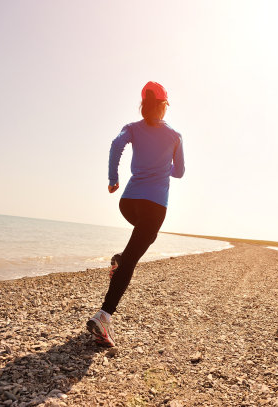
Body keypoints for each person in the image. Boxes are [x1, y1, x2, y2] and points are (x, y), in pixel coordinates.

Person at [87, 81, 185, 347]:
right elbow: (180, 172)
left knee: (138, 244)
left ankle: (120, 259)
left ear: (144, 105)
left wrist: (112, 179)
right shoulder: (175, 136)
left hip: (128, 202)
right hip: (155, 207)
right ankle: (104, 316)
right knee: (134, 256)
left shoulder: (131, 128)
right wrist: (165, 166)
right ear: (163, 105)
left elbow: (116, 144)